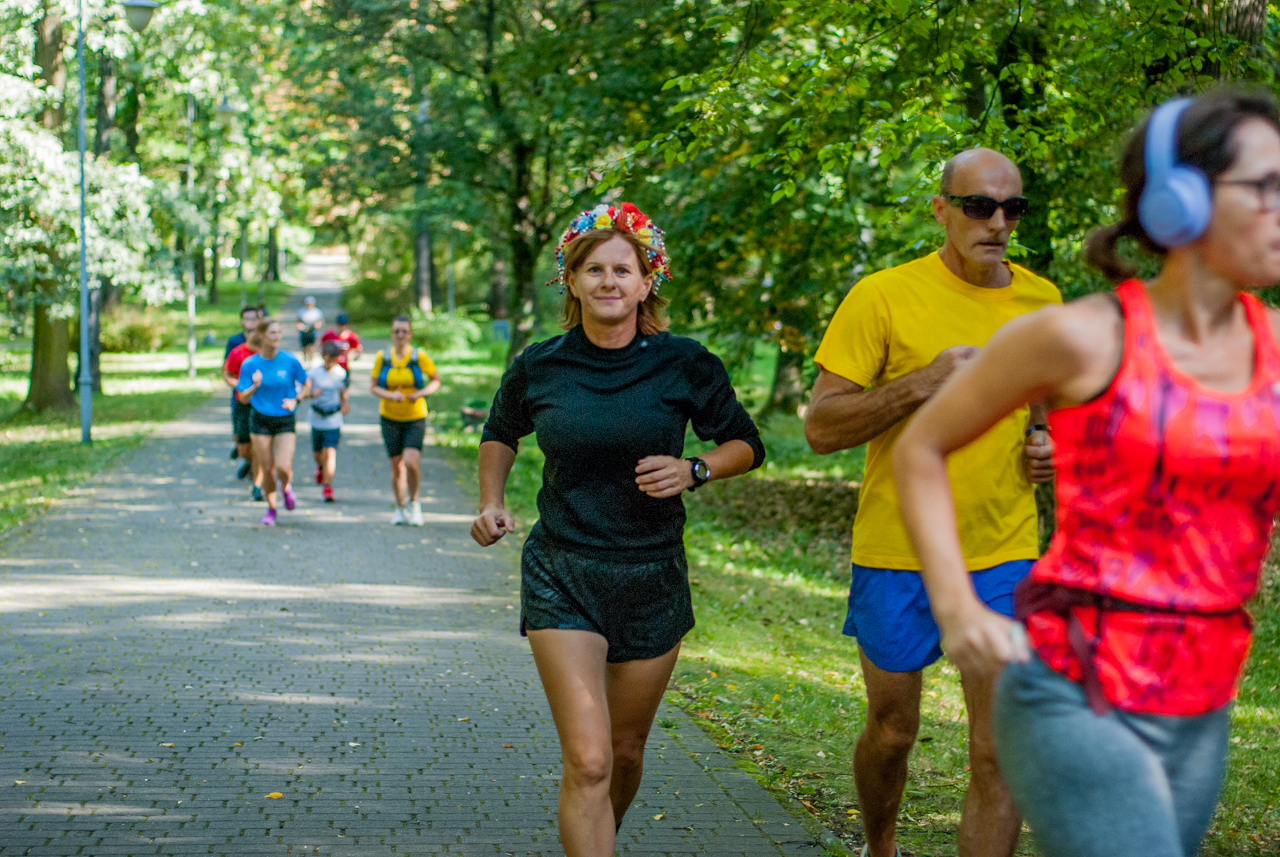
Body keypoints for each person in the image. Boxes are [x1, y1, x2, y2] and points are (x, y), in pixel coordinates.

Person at [893, 90, 1280, 857]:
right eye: (1264, 187)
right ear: (1180, 199)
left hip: (1202, 700)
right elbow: (920, 447)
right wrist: (958, 606)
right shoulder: (1081, 336)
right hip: (1076, 686)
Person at [471, 202, 766, 857]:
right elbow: (501, 431)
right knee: (591, 759)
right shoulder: (539, 365)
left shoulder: (685, 363)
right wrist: (490, 500)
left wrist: (697, 467)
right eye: (593, 268)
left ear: (645, 281)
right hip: (563, 570)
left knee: (625, 753)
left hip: (651, 574)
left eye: (622, 270)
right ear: (571, 280)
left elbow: (744, 442)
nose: (608, 280)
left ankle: (598, 832)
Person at [804, 150, 1061, 857]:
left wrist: (1045, 440)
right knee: (893, 729)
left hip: (1003, 550)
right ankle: (879, 843)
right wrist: (923, 382)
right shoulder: (882, 295)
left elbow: (1046, 404)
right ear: (941, 210)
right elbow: (821, 426)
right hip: (898, 548)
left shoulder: (1043, 301)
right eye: (980, 206)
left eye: (1013, 209)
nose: (998, 222)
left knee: (997, 751)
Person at [236, 317, 311, 526]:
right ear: (261, 335)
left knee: (283, 467)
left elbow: (306, 384)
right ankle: (271, 509)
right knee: (267, 469)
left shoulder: (290, 360)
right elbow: (242, 396)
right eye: (272, 333)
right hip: (260, 420)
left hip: (285, 418)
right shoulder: (250, 364)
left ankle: (286, 488)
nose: (277, 337)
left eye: (279, 332)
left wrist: (296, 398)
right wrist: (254, 386)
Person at [370, 316, 441, 526]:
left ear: (410, 334)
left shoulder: (419, 356)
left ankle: (415, 503)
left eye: (404, 331)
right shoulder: (382, 357)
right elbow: (373, 386)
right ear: (392, 334)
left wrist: (422, 393)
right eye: (396, 331)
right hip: (389, 417)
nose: (400, 335)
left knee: (411, 462)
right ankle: (400, 508)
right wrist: (390, 395)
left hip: (415, 417)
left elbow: (435, 379)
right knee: (397, 467)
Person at [223, 320, 265, 501]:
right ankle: (249, 463)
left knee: (259, 446)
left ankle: (257, 486)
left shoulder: (266, 354)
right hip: (241, 402)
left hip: (261, 405)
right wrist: (239, 386)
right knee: (243, 449)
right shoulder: (238, 353)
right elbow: (227, 374)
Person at [306, 340, 349, 503]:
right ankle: (321, 468)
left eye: (334, 359)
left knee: (330, 452)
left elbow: (343, 392)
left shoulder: (341, 373)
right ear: (323, 356)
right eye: (329, 358)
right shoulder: (313, 373)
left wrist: (345, 404)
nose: (331, 362)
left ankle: (327, 487)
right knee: (318, 454)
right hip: (317, 418)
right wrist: (311, 394)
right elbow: (304, 391)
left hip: (333, 419)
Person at [225, 305, 260, 464]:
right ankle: (247, 459)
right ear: (242, 321)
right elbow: (226, 371)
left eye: (254, 319)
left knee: (258, 437)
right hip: (240, 396)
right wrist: (239, 385)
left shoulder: (264, 340)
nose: (251, 322)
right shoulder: (235, 342)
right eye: (248, 319)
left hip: (260, 397)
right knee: (240, 436)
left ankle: (254, 471)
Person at [320, 312, 362, 386]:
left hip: (344, 367)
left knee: (344, 392)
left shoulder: (351, 337)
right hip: (331, 368)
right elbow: (320, 346)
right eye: (339, 325)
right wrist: (324, 356)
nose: (342, 327)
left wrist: (354, 356)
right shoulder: (328, 335)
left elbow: (358, 350)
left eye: (344, 325)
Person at [296, 296, 324, 365]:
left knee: (312, 346)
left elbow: (321, 321)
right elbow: (297, 321)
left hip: (312, 330)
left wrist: (317, 325)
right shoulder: (301, 311)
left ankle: (311, 359)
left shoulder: (317, 312)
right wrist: (300, 326)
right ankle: (305, 358)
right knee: (304, 346)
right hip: (303, 330)